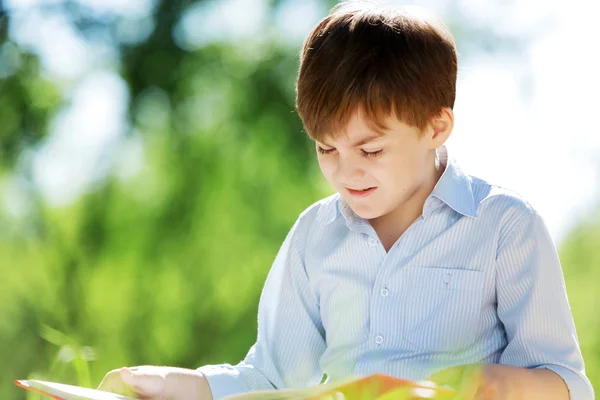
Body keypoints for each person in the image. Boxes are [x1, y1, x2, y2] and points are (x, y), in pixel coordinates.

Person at [98, 1, 594, 399]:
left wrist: (497, 387)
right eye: (326, 148)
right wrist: (164, 385)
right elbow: (269, 380)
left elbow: (568, 383)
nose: (345, 170)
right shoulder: (316, 235)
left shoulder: (504, 226)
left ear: (436, 127)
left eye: (371, 149)